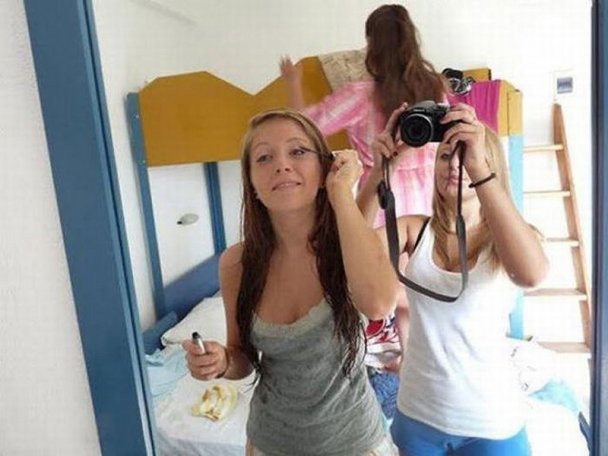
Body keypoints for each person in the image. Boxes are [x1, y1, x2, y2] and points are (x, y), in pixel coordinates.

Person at [182, 109, 399, 456]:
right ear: (252, 184)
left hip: (355, 442)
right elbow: (242, 357)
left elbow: (379, 304)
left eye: (298, 151)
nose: (282, 165)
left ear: (324, 168)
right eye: (264, 158)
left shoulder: (349, 244)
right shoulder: (237, 263)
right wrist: (221, 361)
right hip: (269, 443)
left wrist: (341, 191)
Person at [280, 4, 447, 420]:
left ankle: (379, 368)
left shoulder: (362, 94)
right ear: (412, 40)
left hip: (380, 208)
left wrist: (293, 83)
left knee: (382, 296)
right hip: (428, 209)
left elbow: (306, 125)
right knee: (413, 297)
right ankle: (413, 368)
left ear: (372, 46)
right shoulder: (437, 90)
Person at [365, 102, 549, 456]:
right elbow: (347, 251)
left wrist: (479, 169)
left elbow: (532, 274)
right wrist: (381, 171)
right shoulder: (414, 230)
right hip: (417, 413)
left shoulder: (510, 238)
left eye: (465, 155)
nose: (453, 165)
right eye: (446, 155)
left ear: (488, 164)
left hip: (492, 420)